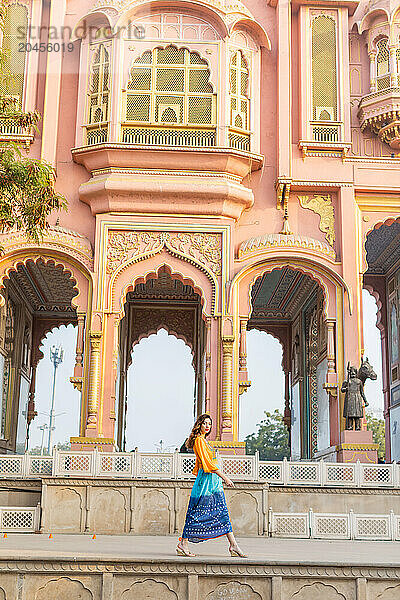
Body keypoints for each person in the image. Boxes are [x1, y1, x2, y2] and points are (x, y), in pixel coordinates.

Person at [176, 413, 247, 558]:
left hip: (212, 481)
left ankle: (233, 545)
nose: (207, 426)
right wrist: (225, 478)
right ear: (199, 425)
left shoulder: (203, 441)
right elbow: (208, 464)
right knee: (196, 513)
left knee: (221, 512)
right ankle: (183, 543)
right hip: (206, 482)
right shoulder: (199, 441)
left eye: (209, 424)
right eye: (205, 423)